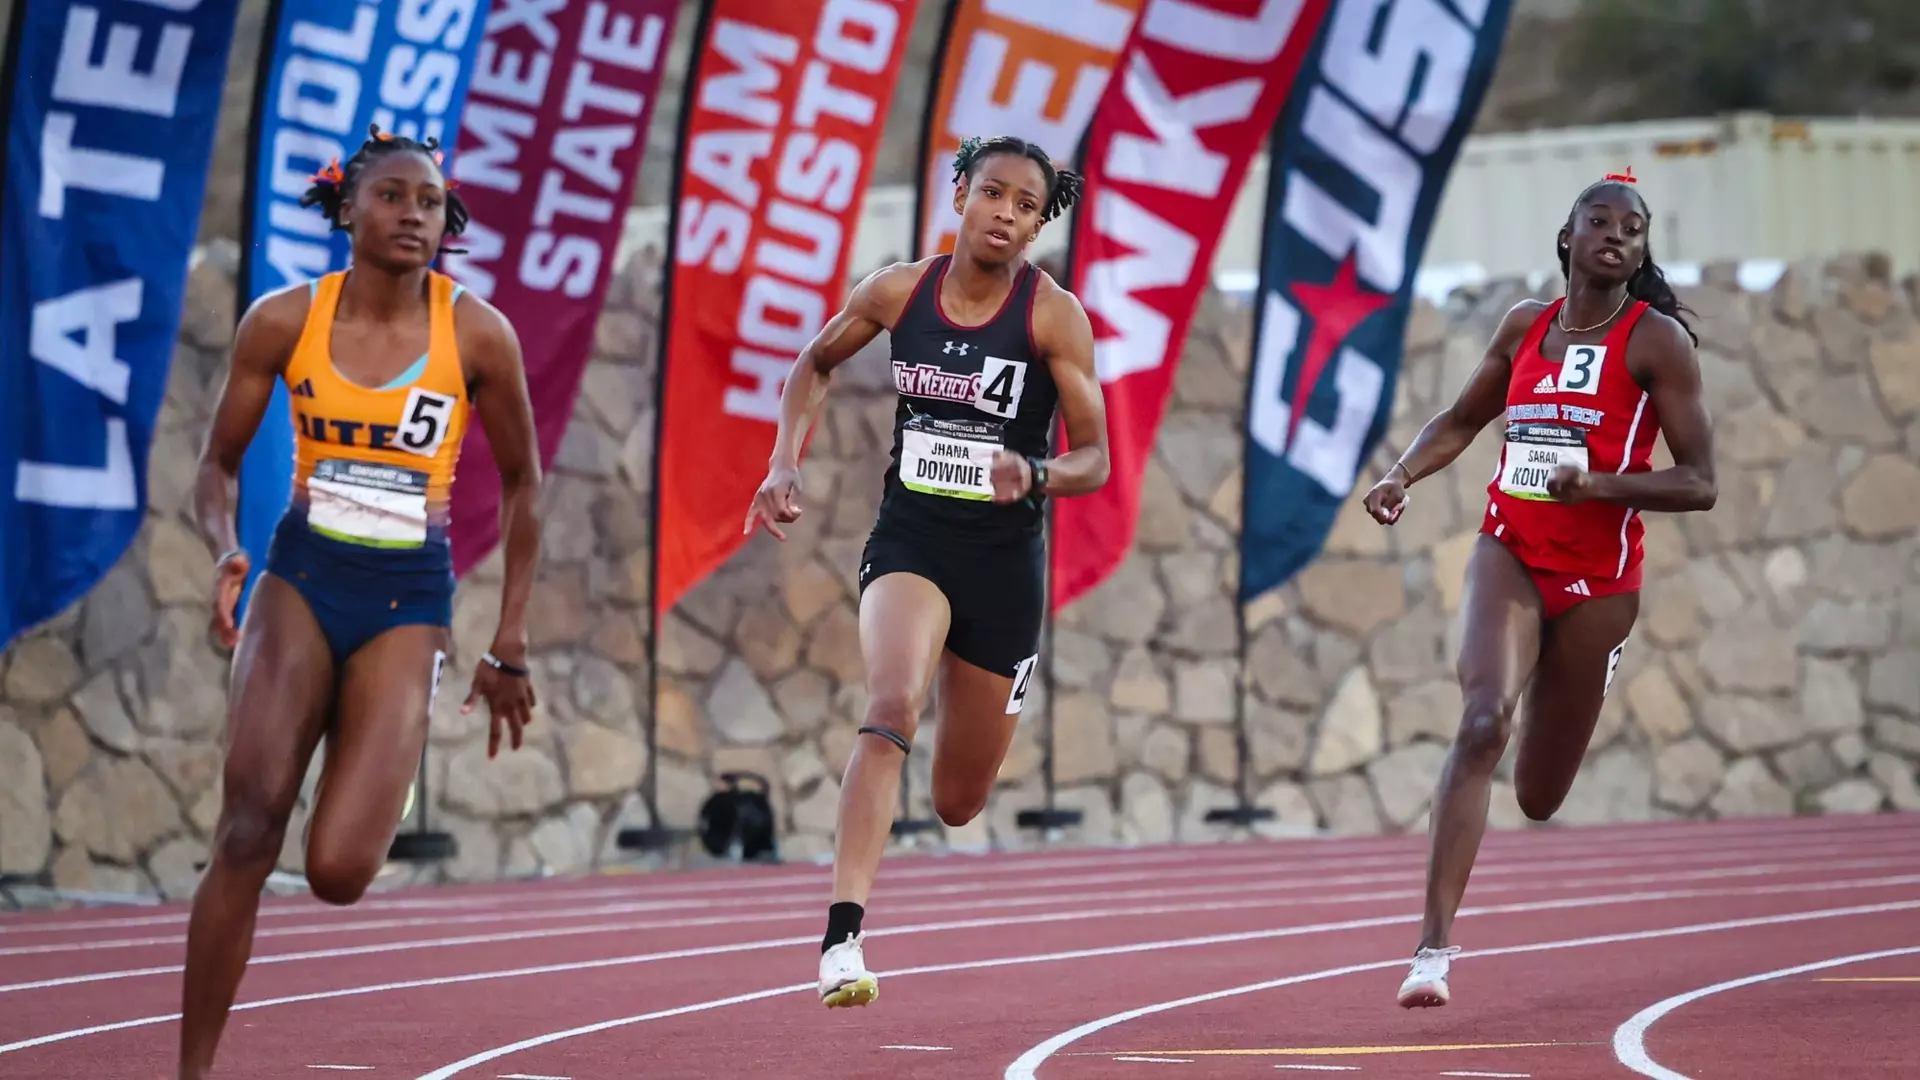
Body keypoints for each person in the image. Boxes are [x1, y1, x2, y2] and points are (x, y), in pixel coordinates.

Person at [180, 124, 542, 1077]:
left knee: (338, 872)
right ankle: (192, 1069)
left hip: (404, 596)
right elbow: (215, 464)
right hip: (301, 577)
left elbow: (525, 484)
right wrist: (225, 551)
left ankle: (386, 741)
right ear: (348, 209)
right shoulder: (284, 320)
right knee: (250, 826)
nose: (413, 214)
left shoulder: (475, 333)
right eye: (392, 196)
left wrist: (507, 639)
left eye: (429, 201)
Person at [744, 135, 1110, 1008]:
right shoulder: (898, 290)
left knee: (956, 801)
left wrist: (1043, 475)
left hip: (1004, 563)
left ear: (1038, 224)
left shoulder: (1052, 315)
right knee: (889, 707)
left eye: (1027, 206)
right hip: (913, 538)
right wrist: (783, 463)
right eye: (994, 194)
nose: (1006, 215)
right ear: (959, 194)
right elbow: (814, 363)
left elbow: (1095, 457)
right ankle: (842, 939)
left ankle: (977, 700)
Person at [1360, 169, 1717, 1009]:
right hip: (1510, 550)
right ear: (1568, 238)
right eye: (1601, 221)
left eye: (1634, 229)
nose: (1618, 236)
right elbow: (1460, 420)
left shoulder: (1656, 341)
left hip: (1599, 586)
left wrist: (1595, 485)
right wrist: (1400, 475)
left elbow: (1700, 483)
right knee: (1483, 722)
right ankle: (1431, 951)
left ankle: (1539, 756)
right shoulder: (1525, 327)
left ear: (1641, 251)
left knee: (1540, 794)